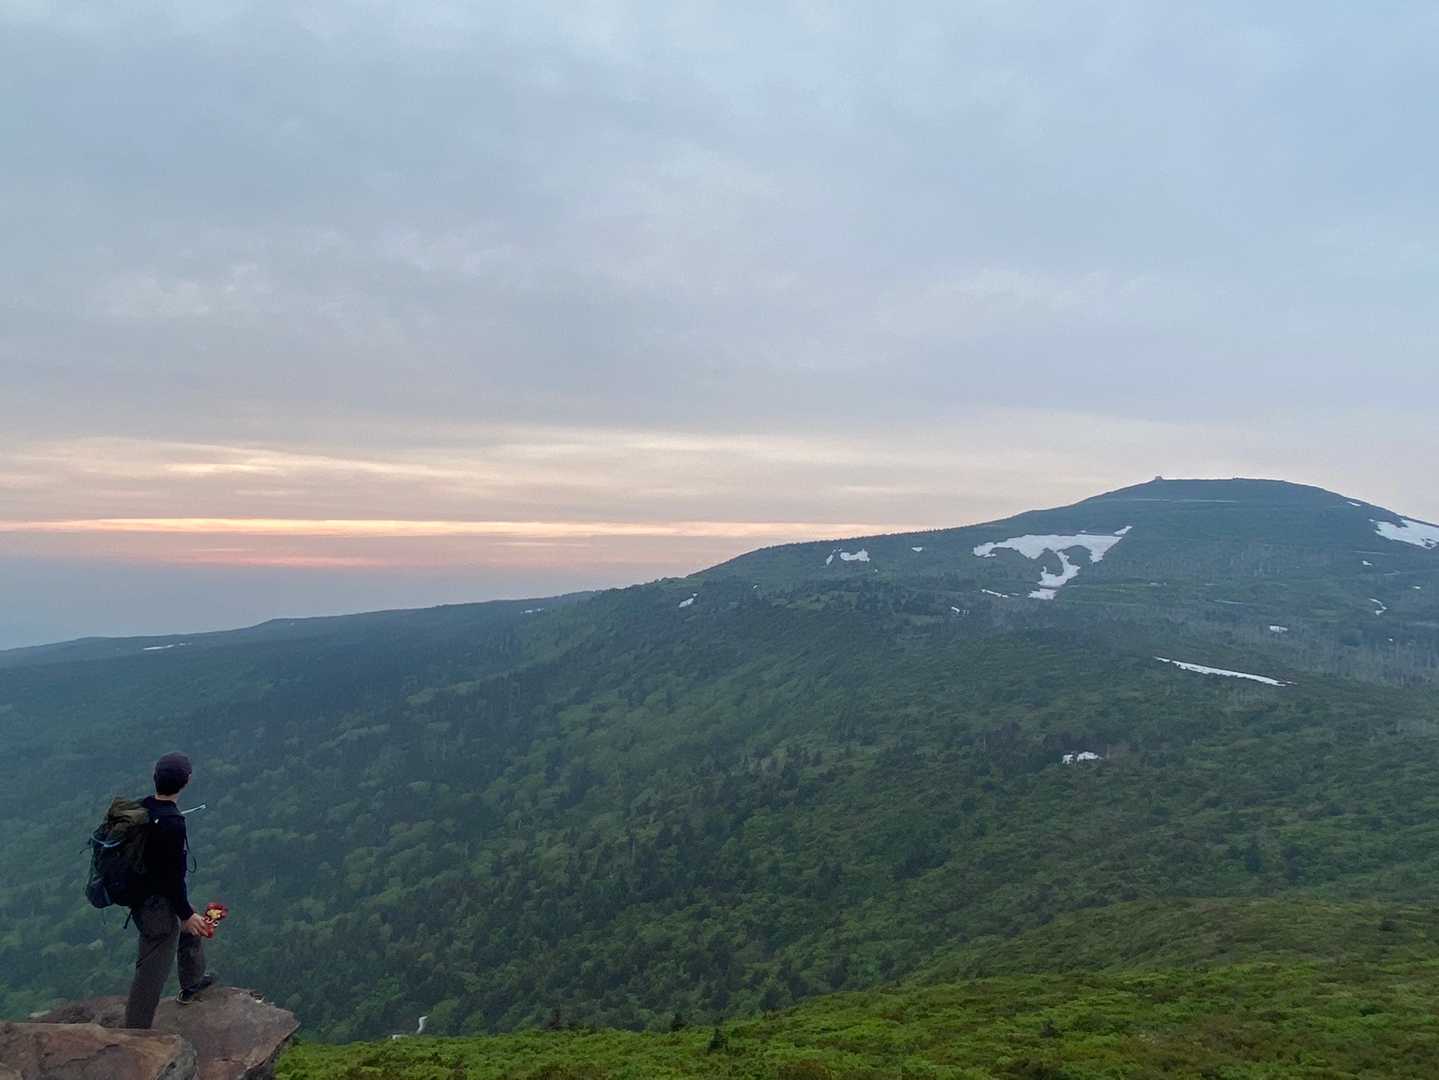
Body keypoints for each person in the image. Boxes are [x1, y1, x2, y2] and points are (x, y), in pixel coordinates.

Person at [123, 752, 217, 1029]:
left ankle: (192, 982)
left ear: (155, 778)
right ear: (187, 781)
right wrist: (185, 913)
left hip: (142, 896)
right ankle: (135, 1033)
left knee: (190, 925)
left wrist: (186, 913)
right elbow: (172, 878)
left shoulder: (143, 808)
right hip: (155, 905)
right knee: (151, 971)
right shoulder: (172, 824)